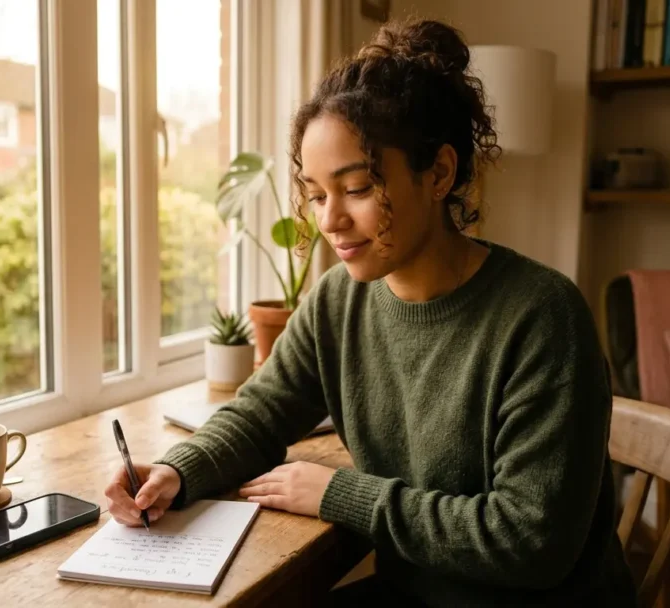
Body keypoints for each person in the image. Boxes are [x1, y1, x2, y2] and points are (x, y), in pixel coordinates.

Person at [103, 17, 636, 606]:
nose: (329, 220)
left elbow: (529, 542)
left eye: (355, 188)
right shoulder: (340, 301)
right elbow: (260, 412)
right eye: (315, 193)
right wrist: (178, 471)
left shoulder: (542, 317)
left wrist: (342, 495)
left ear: (438, 173)